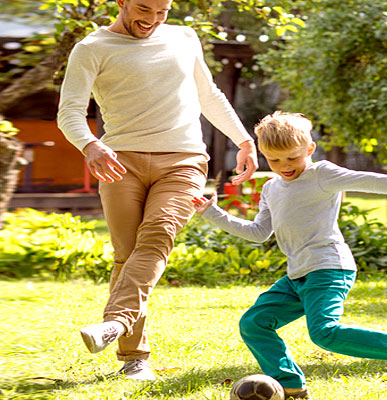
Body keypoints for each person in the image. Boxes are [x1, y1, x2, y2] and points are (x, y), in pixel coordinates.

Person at [192, 112, 387, 399]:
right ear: (263, 154)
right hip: (297, 275)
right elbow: (259, 232)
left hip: (328, 268)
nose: (284, 167)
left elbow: (365, 180)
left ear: (309, 149)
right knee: (254, 323)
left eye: (292, 158)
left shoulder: (321, 174)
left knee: (325, 332)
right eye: (274, 160)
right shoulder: (271, 188)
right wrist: (212, 213)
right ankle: (290, 384)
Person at [55, 0, 259, 381]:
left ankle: (114, 324)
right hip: (120, 161)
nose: (151, 20)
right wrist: (90, 144)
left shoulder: (184, 37)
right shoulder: (92, 48)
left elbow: (208, 95)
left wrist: (243, 139)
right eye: (143, 9)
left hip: (184, 160)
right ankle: (134, 359)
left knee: (158, 236)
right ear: (121, 3)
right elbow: (69, 111)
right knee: (128, 255)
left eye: (161, 11)